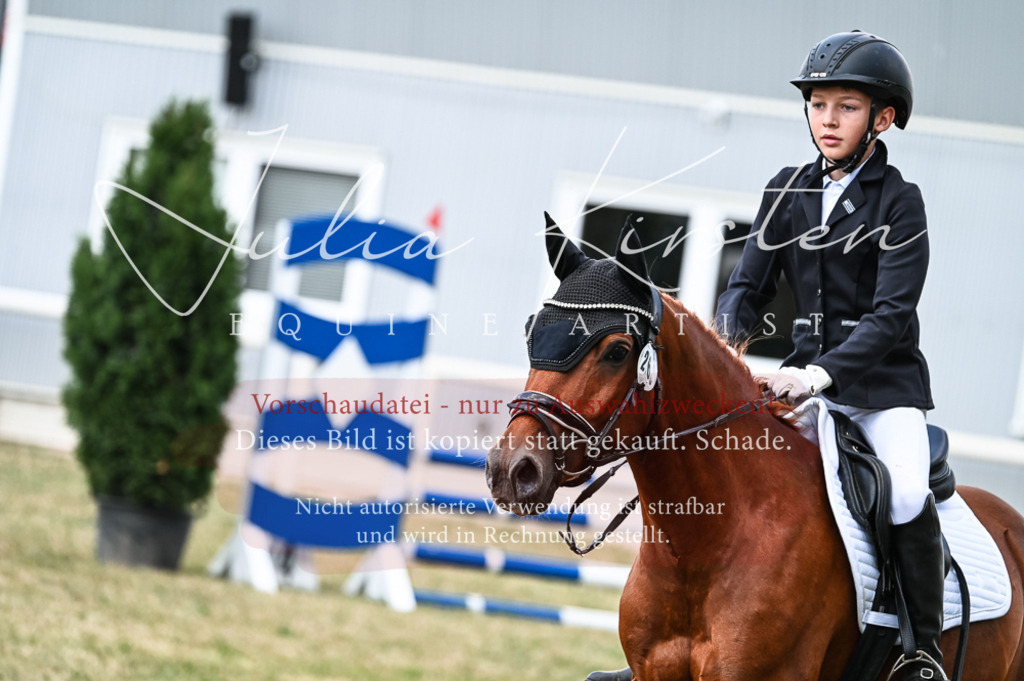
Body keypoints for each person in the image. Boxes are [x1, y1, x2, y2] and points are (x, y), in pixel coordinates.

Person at [713, 30, 944, 681]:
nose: (828, 119)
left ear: (884, 117)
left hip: (881, 391)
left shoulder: (899, 202)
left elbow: (891, 315)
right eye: (818, 104)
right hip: (801, 387)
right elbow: (745, 286)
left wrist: (819, 372)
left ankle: (919, 647)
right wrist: (730, 347)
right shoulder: (786, 190)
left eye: (846, 106)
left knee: (901, 490)